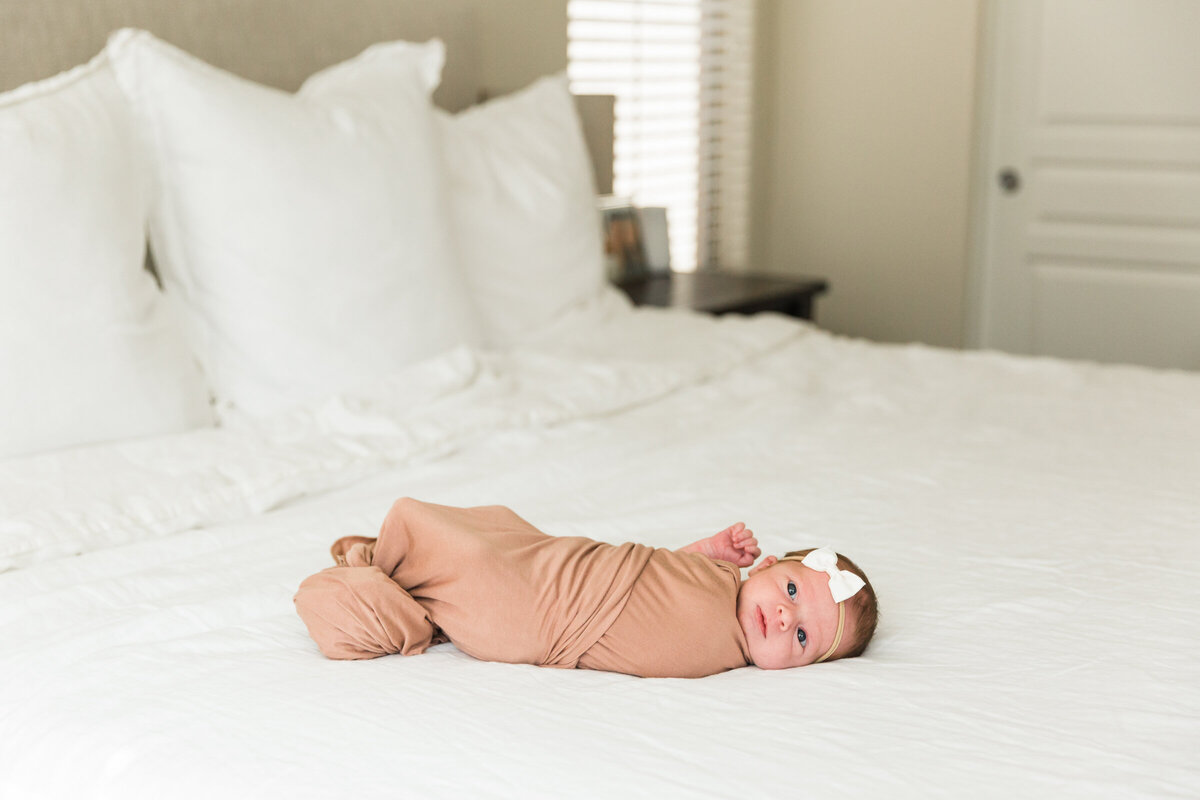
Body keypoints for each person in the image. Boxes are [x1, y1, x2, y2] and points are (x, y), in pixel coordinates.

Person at [294, 498, 878, 678]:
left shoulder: (727, 659)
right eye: (792, 593)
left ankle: (388, 583)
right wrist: (709, 551)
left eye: (801, 637)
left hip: (546, 620)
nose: (781, 618)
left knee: (482, 582)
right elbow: (646, 573)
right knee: (492, 541)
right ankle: (394, 557)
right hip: (567, 569)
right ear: (769, 565)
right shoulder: (723, 579)